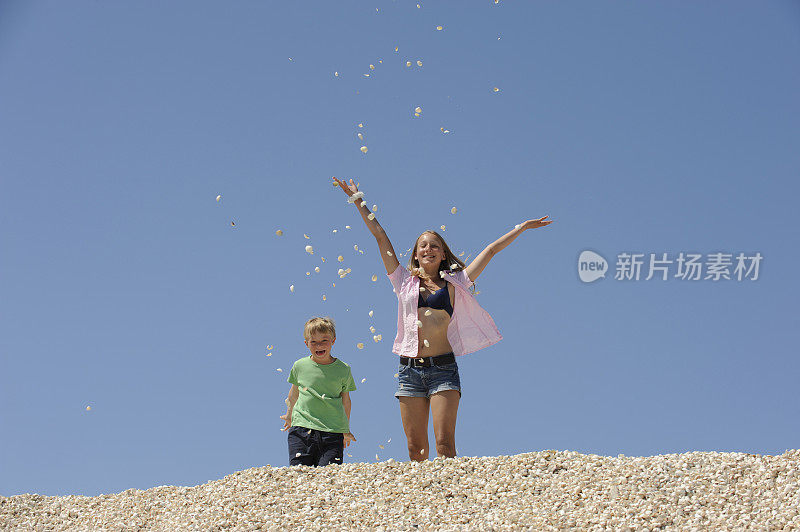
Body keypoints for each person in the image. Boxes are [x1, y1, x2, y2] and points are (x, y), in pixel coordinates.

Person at [334, 177, 553, 461]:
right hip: (409, 371)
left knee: (444, 445)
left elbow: (490, 250)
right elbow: (380, 236)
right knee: (416, 449)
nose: (428, 249)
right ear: (415, 254)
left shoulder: (457, 282)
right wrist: (358, 200)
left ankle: (447, 500)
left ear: (442, 253)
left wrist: (521, 228)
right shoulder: (402, 280)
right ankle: (423, 501)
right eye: (422, 246)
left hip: (443, 370)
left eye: (434, 245)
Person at [281, 317, 357, 466]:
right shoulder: (300, 366)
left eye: (324, 341)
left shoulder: (343, 369)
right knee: (299, 473)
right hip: (301, 429)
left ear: (333, 341)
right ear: (306, 343)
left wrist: (345, 429)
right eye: (313, 341)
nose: (319, 345)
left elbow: (346, 401)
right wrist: (289, 415)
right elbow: (294, 393)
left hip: (332, 432)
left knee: (328, 476)